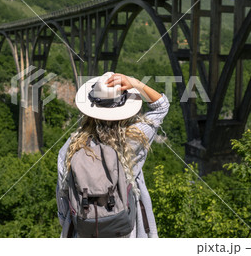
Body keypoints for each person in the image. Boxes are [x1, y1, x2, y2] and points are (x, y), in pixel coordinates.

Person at [56, 72, 170, 238]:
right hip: (126, 229)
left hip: (85, 231)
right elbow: (161, 106)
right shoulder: (134, 139)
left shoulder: (71, 147)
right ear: (124, 109)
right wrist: (136, 83)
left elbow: (63, 197)